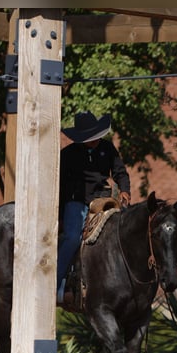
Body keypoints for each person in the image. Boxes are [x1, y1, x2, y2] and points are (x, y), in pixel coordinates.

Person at [57, 111, 131, 302]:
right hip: (76, 201)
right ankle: (55, 284)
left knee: (123, 233)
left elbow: (120, 172)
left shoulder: (108, 148)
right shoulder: (67, 155)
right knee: (73, 238)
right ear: (81, 139)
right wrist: (60, 214)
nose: (95, 141)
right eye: (90, 138)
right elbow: (60, 185)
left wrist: (124, 190)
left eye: (97, 136)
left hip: (103, 198)